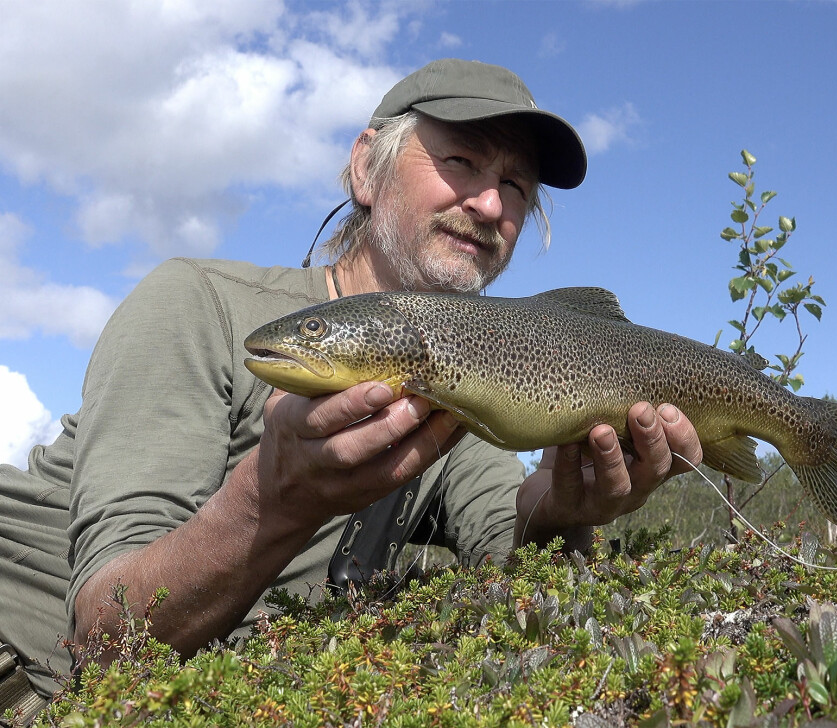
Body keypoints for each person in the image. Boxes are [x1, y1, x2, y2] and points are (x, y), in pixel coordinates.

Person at [0, 58, 702, 717]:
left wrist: (567, 506)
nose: (491, 203)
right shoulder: (197, 305)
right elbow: (100, 638)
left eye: (517, 186)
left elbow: (508, 541)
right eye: (460, 160)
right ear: (366, 167)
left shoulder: (469, 377)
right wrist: (270, 502)